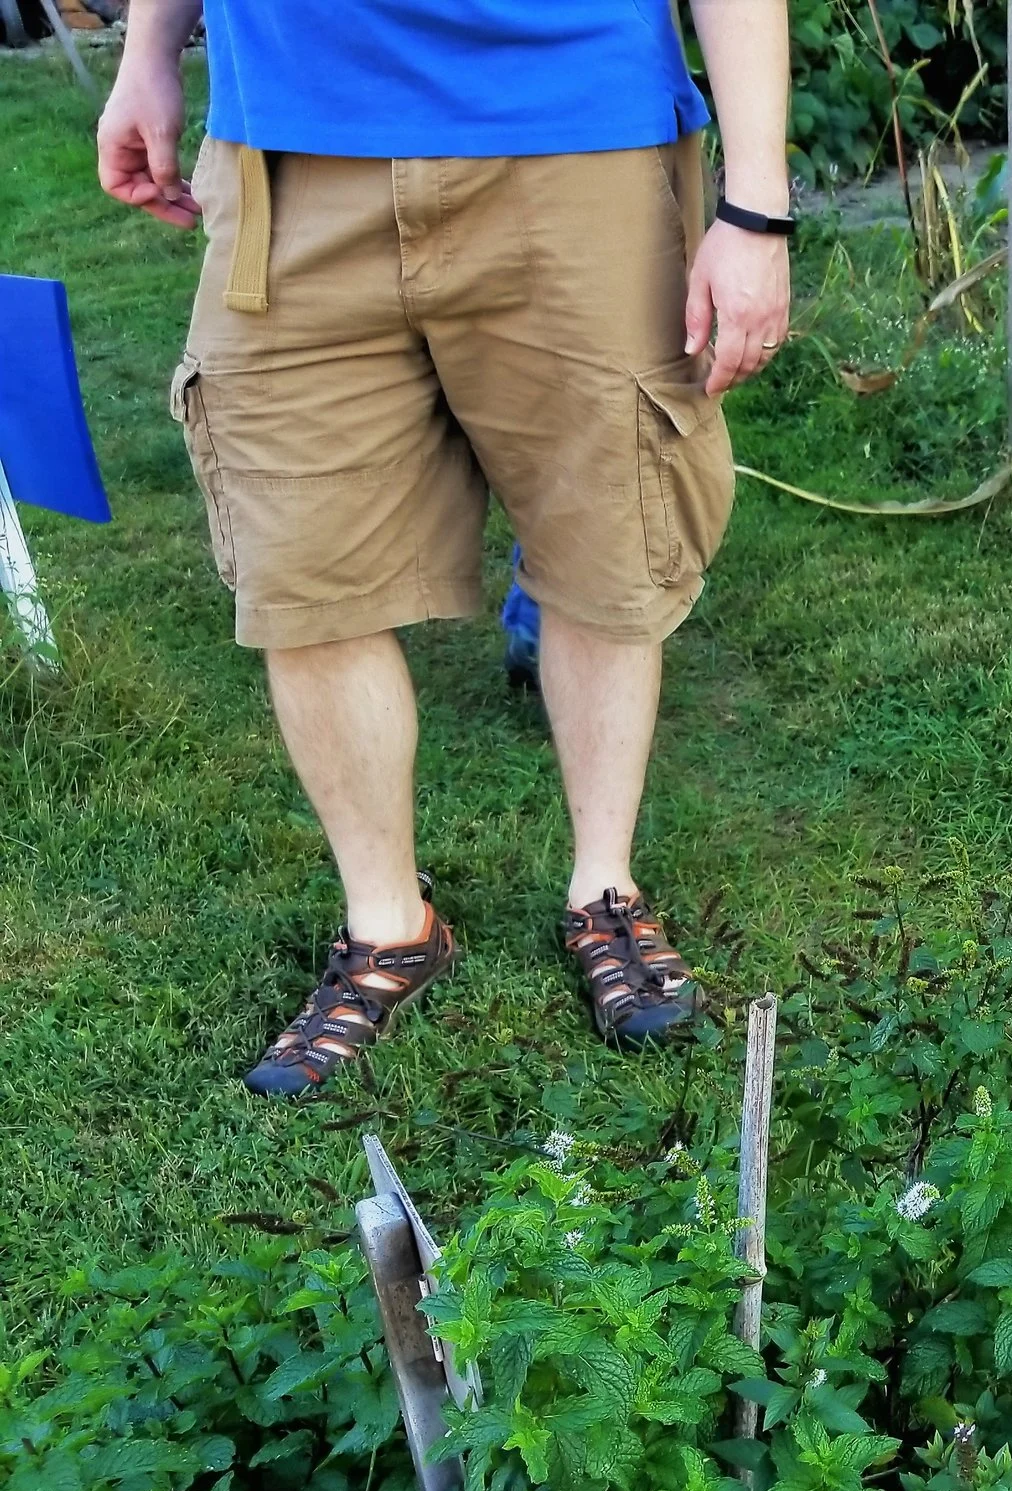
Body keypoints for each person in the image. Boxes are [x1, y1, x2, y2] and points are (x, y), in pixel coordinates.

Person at [96, 0, 793, 1094]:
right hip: (292, 147)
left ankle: (603, 888)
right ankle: (389, 926)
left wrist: (757, 207)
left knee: (609, 536)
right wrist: (147, 53)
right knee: (302, 565)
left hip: (575, 135)